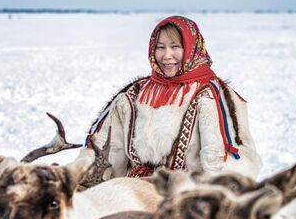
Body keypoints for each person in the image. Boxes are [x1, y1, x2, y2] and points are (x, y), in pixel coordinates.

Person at [76, 15, 261, 180]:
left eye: (175, 47)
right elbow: (106, 150)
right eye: (160, 48)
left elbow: (224, 164)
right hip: (133, 195)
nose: (167, 56)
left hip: (187, 200)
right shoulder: (134, 94)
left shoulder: (213, 96)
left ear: (191, 48)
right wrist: (78, 178)